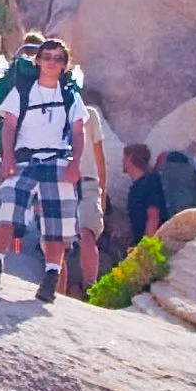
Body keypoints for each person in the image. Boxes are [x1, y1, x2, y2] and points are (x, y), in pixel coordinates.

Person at [0, 34, 82, 304]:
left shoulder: (70, 97)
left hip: (57, 161)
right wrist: (7, 157)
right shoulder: (22, 92)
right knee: (8, 208)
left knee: (55, 223)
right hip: (25, 161)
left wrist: (75, 163)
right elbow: (9, 126)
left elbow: (78, 133)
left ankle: (50, 277)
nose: (51, 62)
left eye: (58, 58)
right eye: (47, 57)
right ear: (38, 61)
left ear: (64, 64)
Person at [72, 88, 111, 295]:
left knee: (88, 234)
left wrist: (102, 194)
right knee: (57, 242)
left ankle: (90, 287)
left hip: (87, 182)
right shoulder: (51, 113)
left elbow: (100, 159)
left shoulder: (90, 115)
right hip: (62, 184)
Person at [123, 141, 170, 247]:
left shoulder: (150, 182)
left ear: (130, 158)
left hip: (153, 247)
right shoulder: (137, 187)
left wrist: (146, 249)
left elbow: (153, 217)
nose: (122, 161)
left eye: (124, 158)